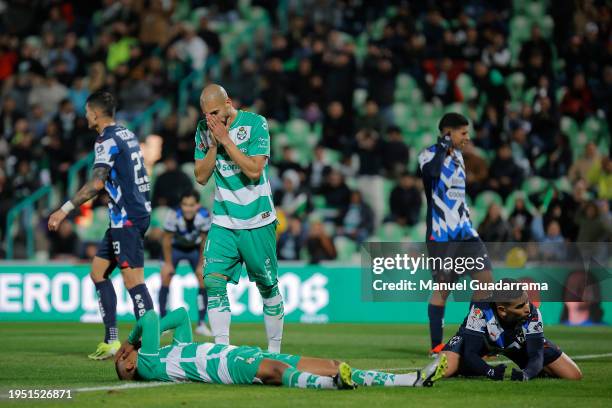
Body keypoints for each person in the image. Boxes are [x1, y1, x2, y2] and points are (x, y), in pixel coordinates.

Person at [48, 90, 154, 360]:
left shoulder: (105, 140)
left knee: (134, 282)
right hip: (129, 213)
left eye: (86, 111)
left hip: (127, 216)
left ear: (95, 113)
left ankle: (151, 345)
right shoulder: (126, 133)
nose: (85, 116)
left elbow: (96, 183)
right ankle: (111, 341)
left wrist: (64, 210)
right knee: (98, 272)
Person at [114, 307, 448, 389]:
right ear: (130, 367)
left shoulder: (170, 355)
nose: (123, 355)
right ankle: (330, 385)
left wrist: (135, 341)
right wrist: (130, 341)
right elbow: (152, 317)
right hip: (225, 367)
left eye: (124, 353)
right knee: (277, 371)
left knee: (332, 361)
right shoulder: (148, 364)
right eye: (122, 360)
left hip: (234, 354)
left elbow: (182, 316)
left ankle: (410, 380)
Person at [193, 84, 284, 352]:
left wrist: (226, 140)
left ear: (229, 103)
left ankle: (275, 351)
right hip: (224, 220)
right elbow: (200, 176)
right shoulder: (204, 129)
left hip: (258, 219)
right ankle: (221, 350)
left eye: (215, 112)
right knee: (212, 280)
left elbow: (255, 170)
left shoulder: (256, 123)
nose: (210, 119)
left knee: (267, 286)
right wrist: (212, 145)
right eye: (206, 114)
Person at [417, 112, 493, 357]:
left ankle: (473, 339)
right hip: (442, 235)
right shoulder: (428, 154)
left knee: (486, 283)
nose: (467, 137)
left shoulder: (460, 157)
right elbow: (431, 174)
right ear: (448, 132)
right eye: (463, 132)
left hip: (466, 232)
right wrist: (443, 147)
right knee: (443, 289)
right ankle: (436, 346)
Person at [441, 278, 582, 381]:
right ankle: (464, 367)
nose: (527, 308)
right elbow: (470, 352)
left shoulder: (533, 313)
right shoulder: (480, 310)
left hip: (518, 345)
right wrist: (490, 371)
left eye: (527, 301)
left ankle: (469, 367)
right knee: (444, 370)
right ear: (502, 310)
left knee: (573, 375)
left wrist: (527, 374)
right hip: (482, 342)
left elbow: (537, 354)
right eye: (520, 306)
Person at [159, 189, 212, 336]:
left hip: (194, 249)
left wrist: (201, 264)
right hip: (176, 248)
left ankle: (201, 323)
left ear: (197, 205)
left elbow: (204, 241)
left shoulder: (204, 215)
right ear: (180, 205)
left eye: (191, 205)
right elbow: (166, 240)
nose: (188, 208)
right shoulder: (173, 214)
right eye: (185, 205)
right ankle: (163, 323)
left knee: (202, 278)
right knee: (165, 275)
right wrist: (168, 263)